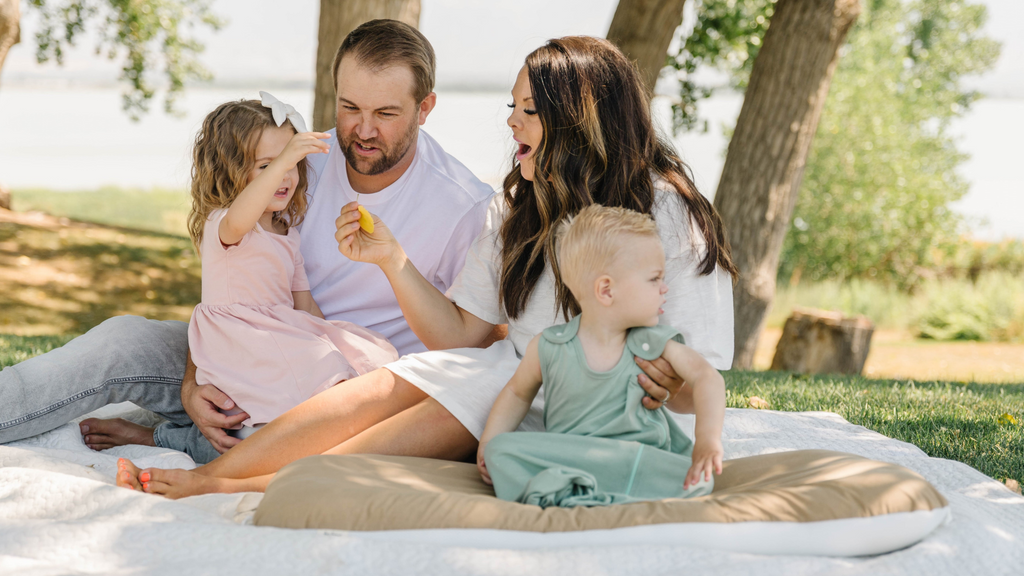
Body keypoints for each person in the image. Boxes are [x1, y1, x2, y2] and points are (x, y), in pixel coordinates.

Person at [114, 35, 737, 498]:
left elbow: (698, 377)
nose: (510, 121)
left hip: (577, 395)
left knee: (430, 413)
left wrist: (663, 380)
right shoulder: (519, 203)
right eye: (512, 105)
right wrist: (392, 261)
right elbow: (463, 334)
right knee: (393, 382)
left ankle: (233, 487)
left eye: (528, 110)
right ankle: (206, 475)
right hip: (505, 369)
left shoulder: (668, 212)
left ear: (579, 121)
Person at [0, 19, 494, 464]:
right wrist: (195, 383)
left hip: (343, 389)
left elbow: (477, 344)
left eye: (386, 113)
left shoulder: (465, 207)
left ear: (425, 107)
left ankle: (166, 435)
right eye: (349, 108)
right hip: (239, 353)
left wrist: (394, 263)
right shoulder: (298, 163)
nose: (363, 130)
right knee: (121, 341)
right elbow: (228, 267)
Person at [146, 97, 400, 462]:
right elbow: (240, 216)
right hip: (242, 343)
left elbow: (304, 304)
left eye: (293, 165)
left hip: (278, 338)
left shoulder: (287, 234)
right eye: (267, 166)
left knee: (352, 361)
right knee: (289, 405)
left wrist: (336, 345)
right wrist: (285, 157)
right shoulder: (224, 224)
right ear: (231, 171)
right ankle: (167, 439)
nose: (284, 176)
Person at [477, 205, 725, 507]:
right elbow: (517, 393)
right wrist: (489, 442)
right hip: (573, 458)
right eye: (654, 279)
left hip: (635, 457)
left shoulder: (652, 343)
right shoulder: (549, 346)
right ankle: (590, 492)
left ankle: (572, 495)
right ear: (606, 290)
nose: (665, 288)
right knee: (502, 450)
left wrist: (707, 440)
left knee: (699, 478)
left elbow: (707, 377)